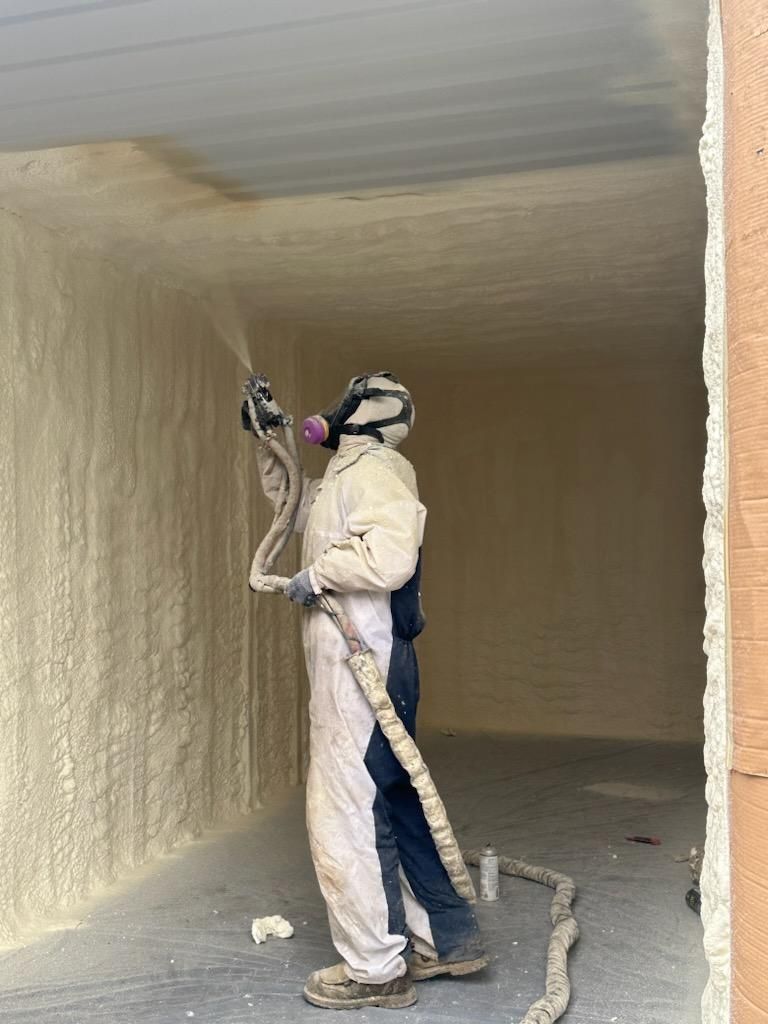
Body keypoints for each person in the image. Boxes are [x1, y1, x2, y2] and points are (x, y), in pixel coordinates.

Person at [255, 372, 486, 1010]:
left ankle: (376, 968)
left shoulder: (375, 471)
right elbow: (296, 513)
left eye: (345, 400)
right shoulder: (348, 477)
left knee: (346, 809)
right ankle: (441, 939)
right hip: (365, 664)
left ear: (362, 413)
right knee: (388, 797)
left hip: (363, 668)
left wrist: (316, 574)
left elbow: (389, 560)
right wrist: (269, 444)